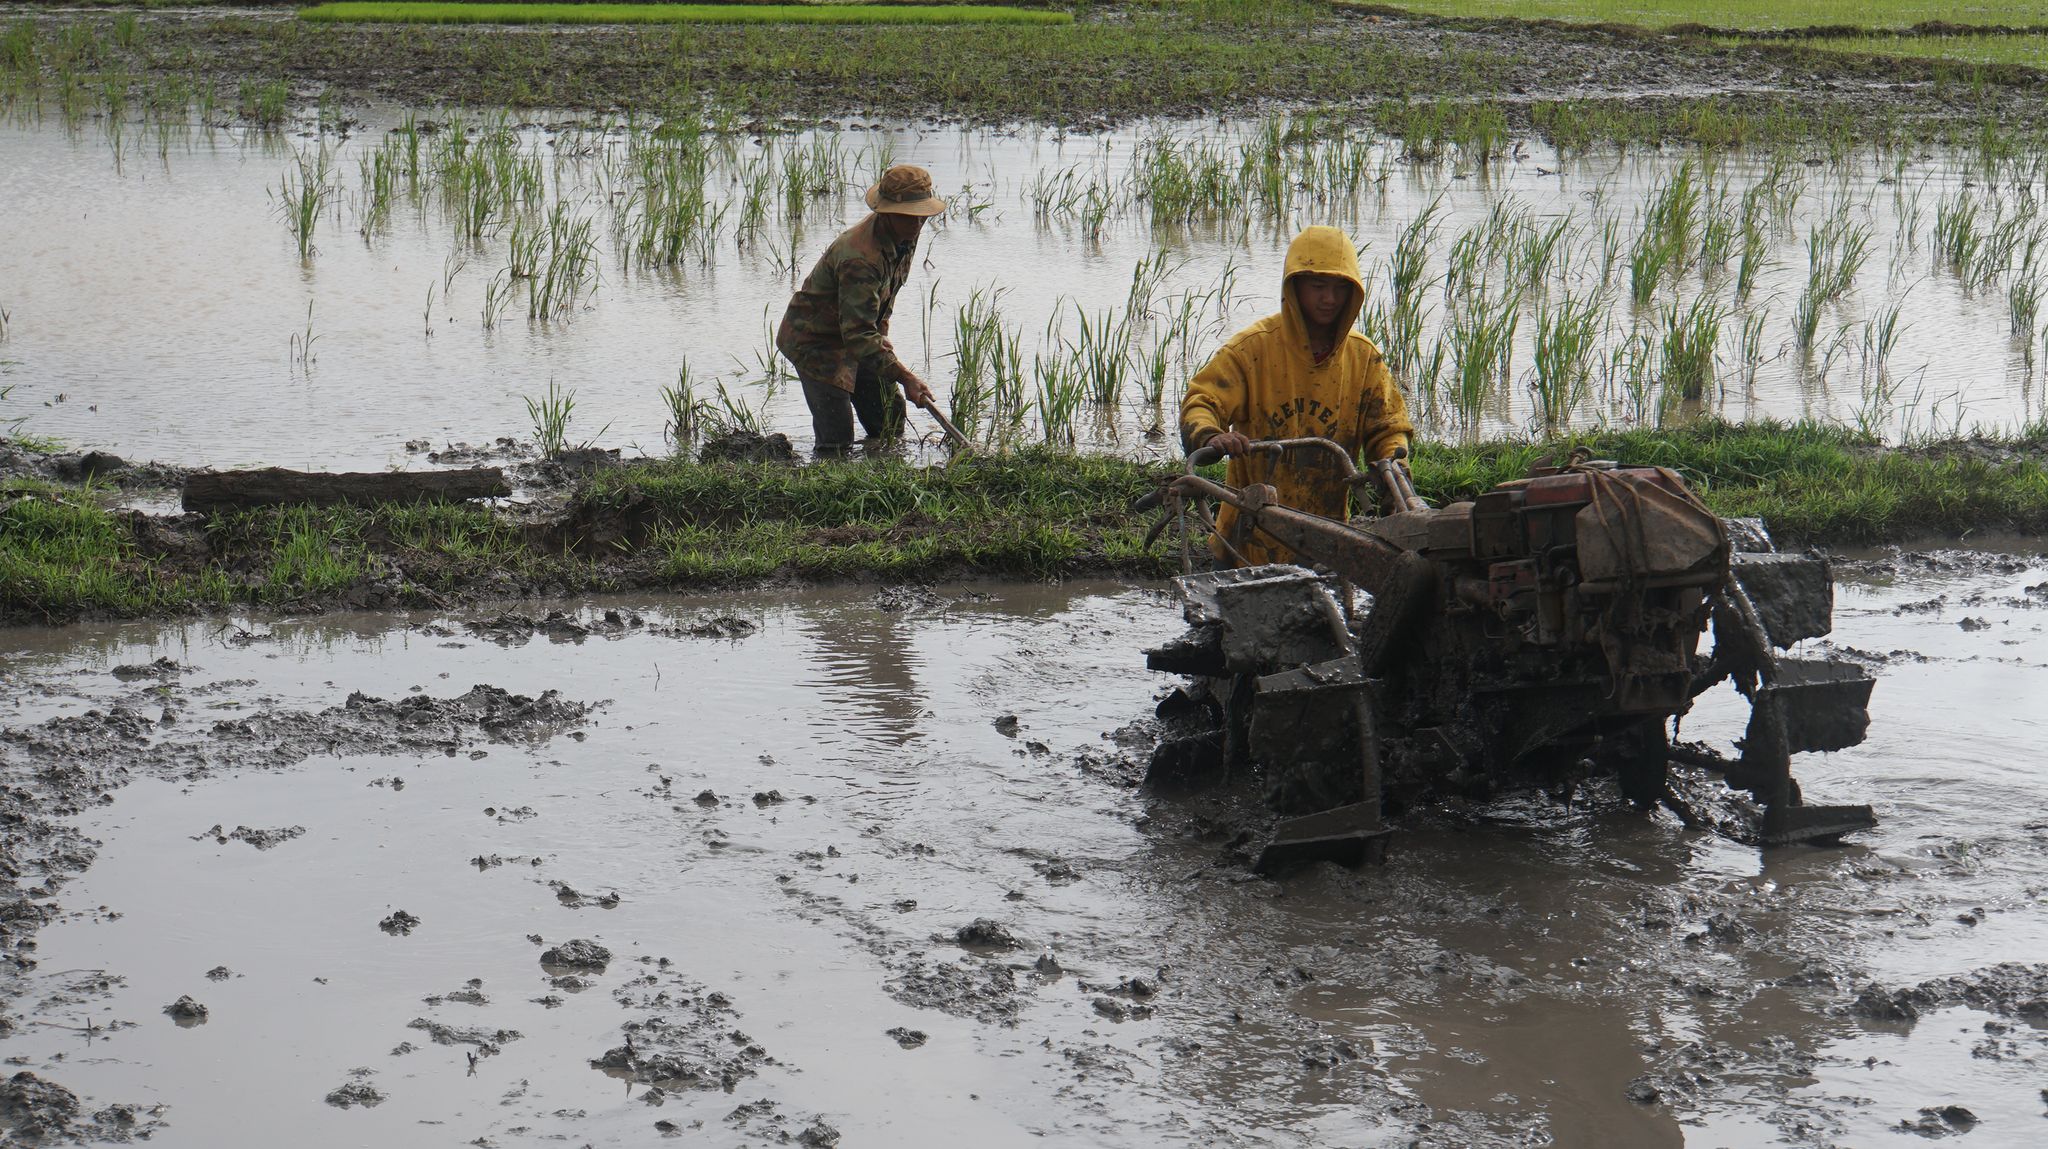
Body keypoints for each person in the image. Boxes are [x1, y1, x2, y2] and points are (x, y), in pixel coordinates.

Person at [1179, 224, 1415, 567]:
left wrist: (1393, 468)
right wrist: (1212, 435)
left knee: (1328, 616)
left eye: (1339, 288)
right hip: (1247, 535)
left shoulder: (1364, 359)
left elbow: (1388, 426)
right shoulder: (1254, 349)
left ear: (1353, 293)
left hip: (1327, 535)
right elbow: (1202, 401)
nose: (1329, 299)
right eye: (1318, 286)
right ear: (1295, 286)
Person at [776, 163, 945, 454]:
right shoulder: (860, 258)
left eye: (923, 216)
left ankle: (880, 474)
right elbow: (856, 336)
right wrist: (907, 377)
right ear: (888, 213)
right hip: (815, 342)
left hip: (857, 333)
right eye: (911, 217)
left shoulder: (905, 234)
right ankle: (825, 487)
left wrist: (880, 337)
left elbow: (881, 303)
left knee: (889, 417)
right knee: (836, 439)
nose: (919, 225)